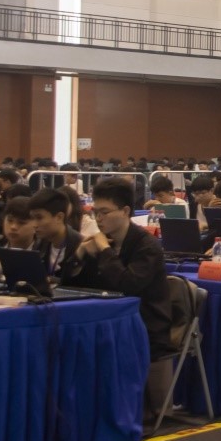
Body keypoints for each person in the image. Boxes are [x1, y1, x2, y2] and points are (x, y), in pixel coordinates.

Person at [61, 178, 172, 424]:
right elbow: (69, 285)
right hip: (107, 318)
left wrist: (104, 252)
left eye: (104, 212)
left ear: (125, 211)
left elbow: (127, 286)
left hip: (145, 323)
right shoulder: (101, 241)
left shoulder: (146, 246)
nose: (98, 219)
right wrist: (79, 255)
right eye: (95, 212)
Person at [0, 196, 46, 278]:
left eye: (21, 223)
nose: (13, 227)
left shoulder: (44, 250)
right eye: (10, 221)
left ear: (36, 225)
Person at [30, 187, 81, 277]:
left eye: (39, 218)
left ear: (59, 217)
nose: (34, 224)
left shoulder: (79, 246)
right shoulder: (40, 244)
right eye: (32, 218)